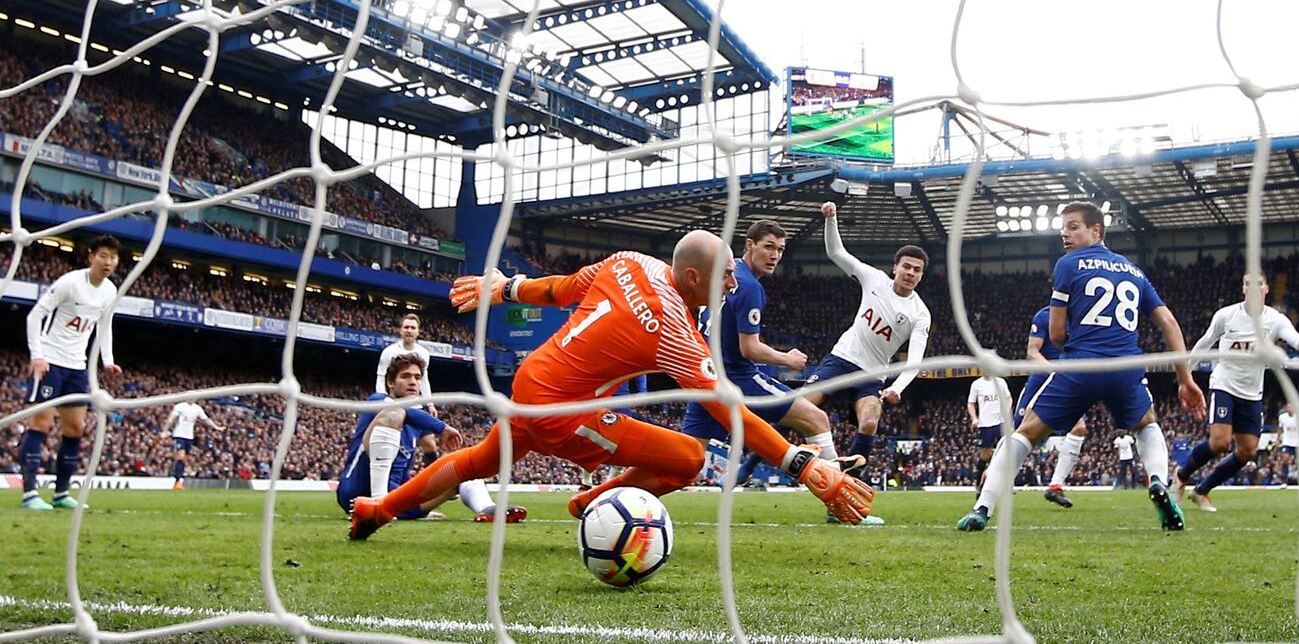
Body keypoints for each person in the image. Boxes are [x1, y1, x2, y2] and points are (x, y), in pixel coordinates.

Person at [349, 231, 874, 540]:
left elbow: (564, 289)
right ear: (693, 281)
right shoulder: (674, 331)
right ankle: (595, 505)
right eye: (724, 278)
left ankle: (380, 509)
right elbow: (730, 410)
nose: (733, 284)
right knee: (690, 458)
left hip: (535, 377)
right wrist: (804, 466)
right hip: (562, 411)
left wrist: (507, 287)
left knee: (483, 461)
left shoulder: (628, 262)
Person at [957, 201, 1205, 532]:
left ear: (1096, 230)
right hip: (1127, 366)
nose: (1064, 233)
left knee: (1026, 433)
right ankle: (1158, 481)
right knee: (1147, 424)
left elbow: (1057, 335)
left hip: (1081, 365)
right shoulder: (1134, 271)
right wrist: (1184, 379)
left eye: (1073, 226)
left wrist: (1076, 326)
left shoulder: (1068, 264)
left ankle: (982, 509)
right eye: (1064, 227)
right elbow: (1170, 323)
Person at [681, 220, 838, 462]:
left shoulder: (723, 275)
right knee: (817, 419)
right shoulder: (750, 287)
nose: (774, 255)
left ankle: (615, 493)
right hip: (738, 379)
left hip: (707, 380)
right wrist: (787, 358)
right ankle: (838, 492)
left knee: (684, 462)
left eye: (780, 249)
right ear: (749, 245)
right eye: (769, 247)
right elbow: (749, 348)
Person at [802, 202, 931, 469]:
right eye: (906, 266)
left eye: (917, 270)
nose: (910, 273)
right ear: (895, 267)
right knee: (800, 404)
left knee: (870, 421)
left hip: (872, 374)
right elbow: (836, 252)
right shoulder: (874, 279)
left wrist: (897, 387)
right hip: (841, 358)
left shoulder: (920, 314)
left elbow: (915, 361)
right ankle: (752, 462)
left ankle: (850, 480)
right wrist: (831, 219)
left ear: (921, 276)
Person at [1173, 274, 1299, 512]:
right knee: (1220, 443)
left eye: (1258, 283)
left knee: (1247, 451)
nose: (1253, 287)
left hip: (1252, 392)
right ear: (1243, 288)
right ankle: (1181, 477)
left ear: (1266, 288)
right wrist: (1187, 376)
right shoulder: (1227, 316)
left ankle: (1202, 491)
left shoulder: (1275, 320)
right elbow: (1205, 342)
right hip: (1224, 384)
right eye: (1248, 283)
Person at [374, 313, 518, 523]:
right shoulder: (389, 354)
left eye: (413, 327)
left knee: (437, 451)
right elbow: (381, 377)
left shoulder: (423, 353)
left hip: (413, 413)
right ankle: (476, 503)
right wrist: (384, 403)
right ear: (401, 329)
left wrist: (429, 404)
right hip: (388, 499)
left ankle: (487, 508)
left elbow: (425, 381)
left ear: (418, 331)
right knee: (455, 468)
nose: (409, 331)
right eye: (406, 327)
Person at [20, 234, 124, 510]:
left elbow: (106, 325)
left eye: (113, 257)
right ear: (91, 256)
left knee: (75, 428)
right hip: (51, 362)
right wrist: (37, 355)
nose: (108, 262)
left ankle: (61, 493)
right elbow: (35, 316)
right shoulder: (69, 283)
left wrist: (107, 360)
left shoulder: (110, 291)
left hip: (77, 366)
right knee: (41, 424)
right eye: (103, 255)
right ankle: (29, 494)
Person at [338, 354, 481, 521]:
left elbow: (401, 475)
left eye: (417, 377)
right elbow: (403, 411)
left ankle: (489, 510)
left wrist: (423, 502)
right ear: (391, 383)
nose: (413, 382)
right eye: (406, 376)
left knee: (461, 469)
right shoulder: (377, 401)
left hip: (392, 495)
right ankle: (380, 503)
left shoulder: (415, 427)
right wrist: (441, 427)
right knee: (395, 413)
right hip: (354, 493)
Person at [1016, 305, 1089, 509]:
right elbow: (1033, 352)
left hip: (1065, 384)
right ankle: (988, 487)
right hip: (1041, 380)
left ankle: (1055, 486)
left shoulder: (1081, 316)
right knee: (1018, 434)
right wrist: (1054, 371)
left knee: (1079, 428)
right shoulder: (1044, 316)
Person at [160, 400, 225, 489]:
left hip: (189, 437)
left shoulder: (197, 408)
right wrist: (165, 430)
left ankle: (177, 481)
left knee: (184, 459)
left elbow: (205, 419)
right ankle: (177, 481)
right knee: (180, 456)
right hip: (179, 435)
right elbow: (172, 418)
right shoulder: (180, 406)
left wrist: (216, 427)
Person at [967, 374, 1011, 492]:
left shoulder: (1000, 382)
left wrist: (1006, 412)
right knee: (985, 455)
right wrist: (974, 418)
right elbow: (971, 403)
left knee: (1005, 453)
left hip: (1000, 423)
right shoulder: (977, 384)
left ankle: (1006, 484)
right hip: (985, 424)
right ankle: (978, 483)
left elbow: (1008, 398)